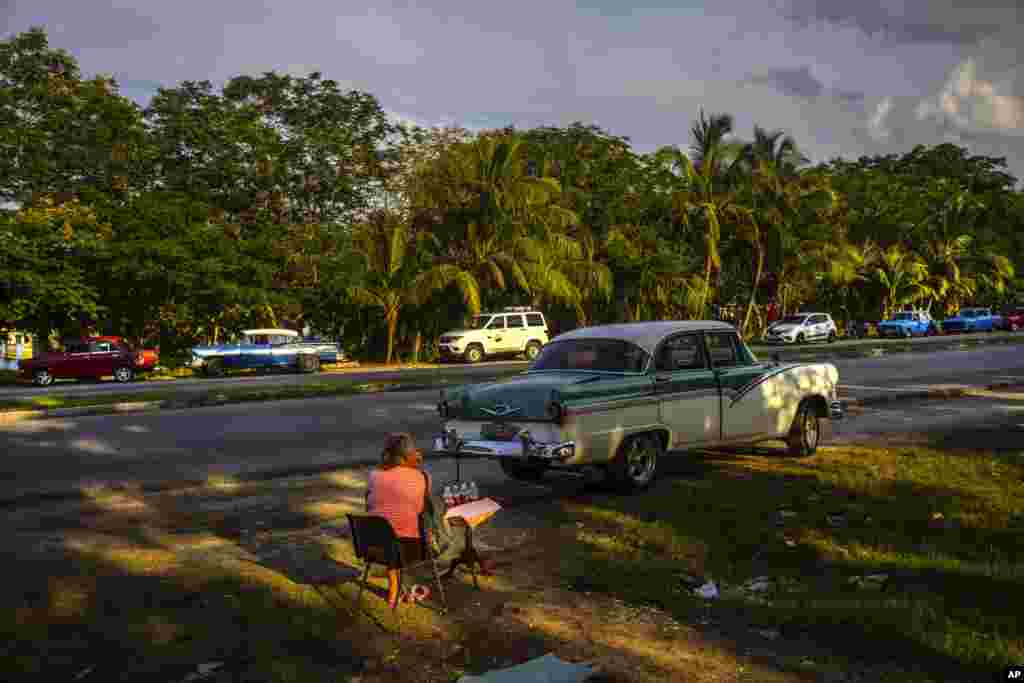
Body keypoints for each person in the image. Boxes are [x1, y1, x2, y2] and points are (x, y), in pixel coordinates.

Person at [365, 433, 432, 608]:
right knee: (410, 523)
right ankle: (399, 587)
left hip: (373, 547)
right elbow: (420, 510)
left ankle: (394, 589)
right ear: (409, 455)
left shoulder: (374, 475)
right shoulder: (421, 477)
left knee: (389, 531)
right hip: (411, 549)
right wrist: (417, 466)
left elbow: (369, 506)